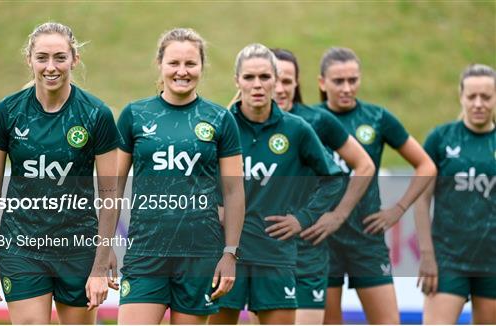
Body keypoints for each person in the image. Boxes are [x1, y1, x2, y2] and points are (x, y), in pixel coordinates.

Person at [0, 22, 120, 324]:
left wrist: (99, 263)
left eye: (60, 57)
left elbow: (109, 194)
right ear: (29, 59)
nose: (51, 67)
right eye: (42, 57)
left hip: (78, 249)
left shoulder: (97, 114)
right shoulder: (7, 112)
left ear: (74, 59)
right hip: (22, 248)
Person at [208, 43, 344, 325]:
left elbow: (334, 179)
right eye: (248, 77)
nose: (257, 85)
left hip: (275, 256)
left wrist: (303, 218)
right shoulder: (219, 127)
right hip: (225, 256)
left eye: (265, 77)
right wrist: (213, 209)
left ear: (275, 79)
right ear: (237, 81)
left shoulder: (296, 129)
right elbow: (195, 180)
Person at [116, 28, 245, 325]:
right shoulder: (135, 115)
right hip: (146, 253)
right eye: (174, 63)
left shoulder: (219, 119)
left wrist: (230, 254)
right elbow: (112, 188)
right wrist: (104, 246)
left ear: (201, 66)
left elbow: (234, 192)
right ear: (160, 64)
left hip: (199, 256)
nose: (182, 71)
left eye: (191, 63)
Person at [312, 47, 437, 324]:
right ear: (322, 82)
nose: (347, 88)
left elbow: (426, 165)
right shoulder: (309, 120)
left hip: (366, 239)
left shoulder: (377, 118)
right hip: (322, 241)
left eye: (353, 80)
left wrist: (398, 209)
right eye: (338, 81)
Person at [269, 48, 375, 324]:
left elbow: (364, 165)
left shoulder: (316, 121)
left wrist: (337, 215)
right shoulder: (241, 124)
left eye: (287, 81)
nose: (280, 89)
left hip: (307, 251)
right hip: (264, 252)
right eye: (274, 79)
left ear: (298, 83)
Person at [415, 64, 496, 324]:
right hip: (447, 261)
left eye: (486, 97)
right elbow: (421, 200)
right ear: (461, 96)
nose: (478, 103)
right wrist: (427, 255)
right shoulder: (440, 139)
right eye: (471, 96)